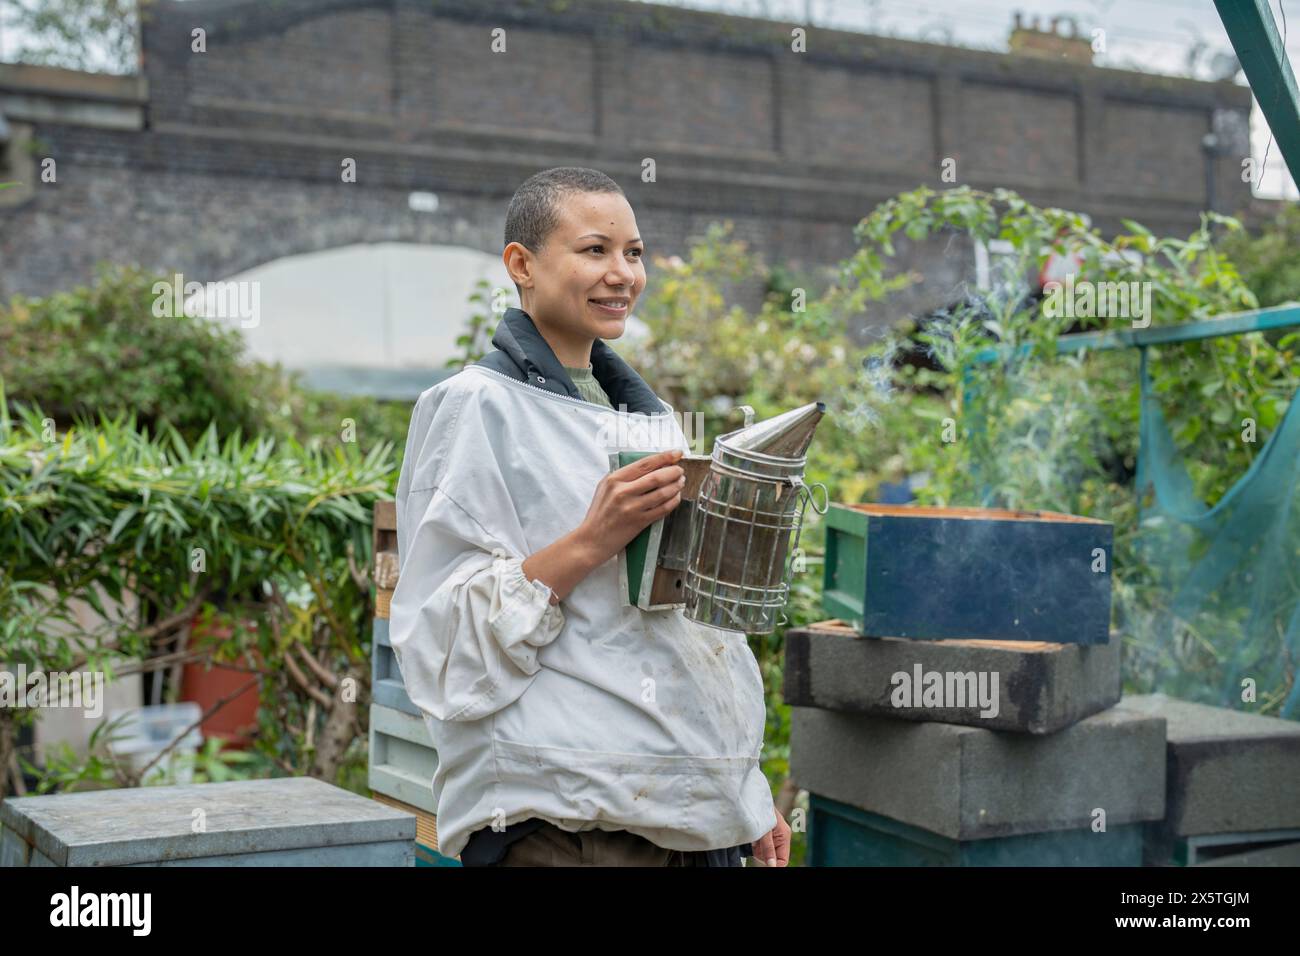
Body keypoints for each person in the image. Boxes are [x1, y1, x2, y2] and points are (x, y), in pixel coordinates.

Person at [389, 166, 791, 867]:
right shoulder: (473, 407)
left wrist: (743, 795)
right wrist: (591, 540)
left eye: (633, 253)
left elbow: (695, 637)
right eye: (595, 250)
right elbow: (438, 640)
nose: (622, 274)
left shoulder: (654, 421)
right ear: (522, 264)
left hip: (688, 823)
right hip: (566, 827)